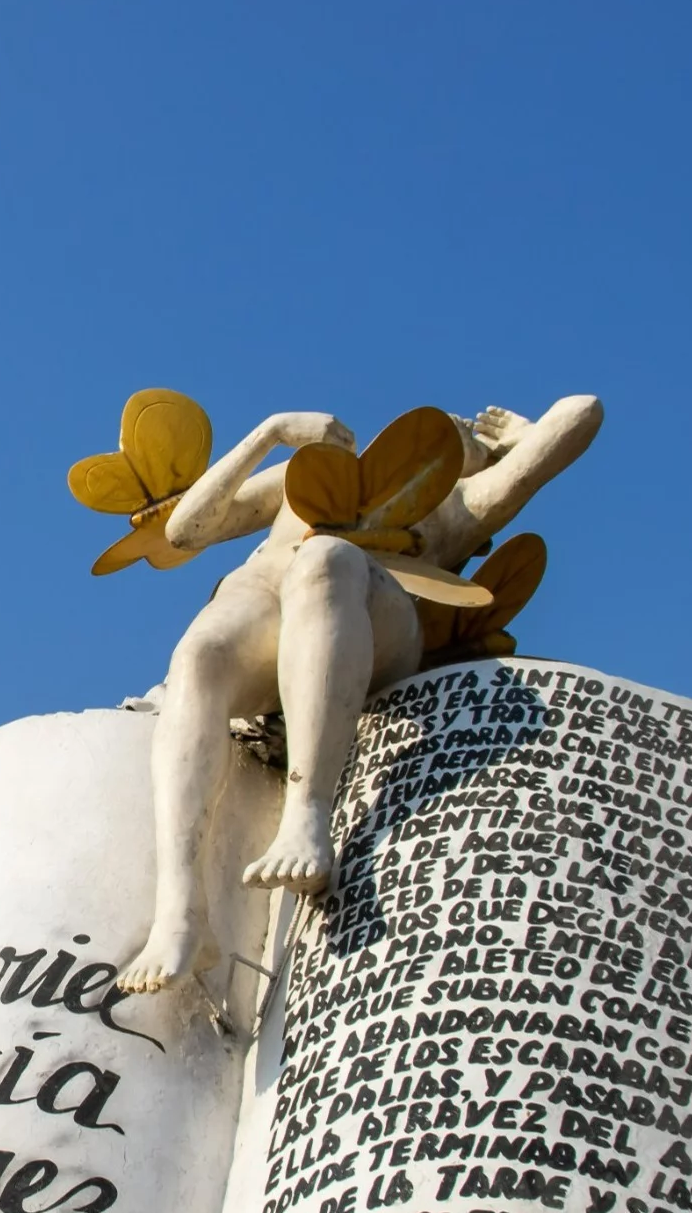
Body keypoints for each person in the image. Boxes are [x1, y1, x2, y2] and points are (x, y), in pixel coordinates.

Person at [116, 395, 604, 994]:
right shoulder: (319, 475)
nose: (448, 429)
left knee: (327, 556)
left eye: (465, 437)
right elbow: (187, 529)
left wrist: (523, 439)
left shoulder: (463, 503)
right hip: (262, 600)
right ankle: (182, 913)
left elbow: (583, 414)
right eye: (435, 423)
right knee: (199, 657)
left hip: (371, 622)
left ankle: (306, 816)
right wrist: (271, 431)